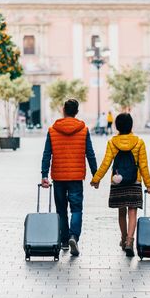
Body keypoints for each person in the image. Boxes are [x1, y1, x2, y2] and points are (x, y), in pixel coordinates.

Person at [90, 113, 150, 257]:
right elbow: (143, 166)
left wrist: (96, 179)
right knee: (132, 211)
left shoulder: (112, 142)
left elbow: (106, 163)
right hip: (134, 181)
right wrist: (149, 185)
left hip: (117, 181)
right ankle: (130, 241)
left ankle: (124, 238)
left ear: (116, 126)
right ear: (131, 125)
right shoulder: (139, 142)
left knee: (121, 211)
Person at [41, 99, 97, 256]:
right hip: (76, 177)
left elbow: (47, 154)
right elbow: (90, 154)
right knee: (77, 208)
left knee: (61, 209)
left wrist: (44, 175)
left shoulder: (53, 130)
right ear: (77, 112)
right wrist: (96, 175)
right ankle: (74, 236)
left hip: (59, 176)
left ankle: (65, 240)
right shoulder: (83, 130)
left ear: (63, 110)